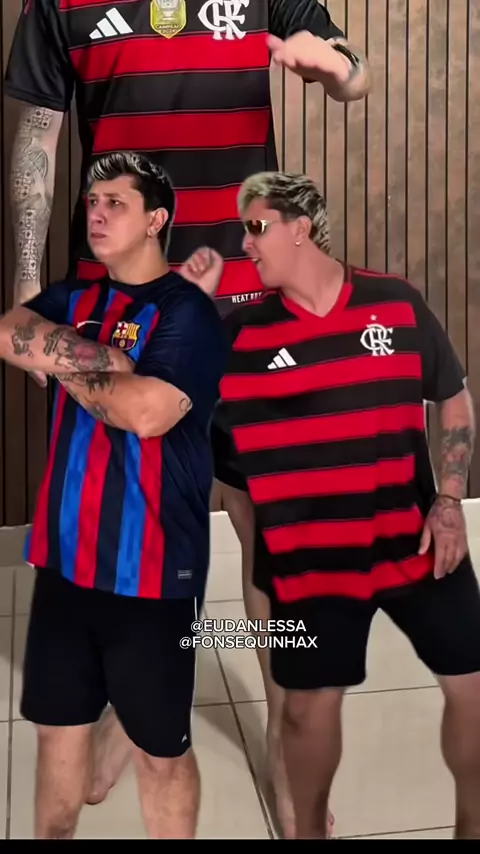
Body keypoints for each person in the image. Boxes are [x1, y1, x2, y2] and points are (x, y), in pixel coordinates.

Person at [4, 0, 370, 827]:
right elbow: (37, 143)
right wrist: (28, 291)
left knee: (273, 535)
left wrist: (339, 70)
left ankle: (284, 755)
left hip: (250, 309)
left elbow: (353, 71)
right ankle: (126, 714)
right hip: (120, 317)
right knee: (136, 531)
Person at [201, 170, 480, 840]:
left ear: (301, 229)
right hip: (313, 560)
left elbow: (453, 397)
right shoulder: (240, 335)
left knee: (472, 692)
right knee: (306, 712)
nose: (245, 244)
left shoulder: (396, 304)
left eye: (257, 228)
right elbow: (177, 414)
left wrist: (448, 500)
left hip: (414, 540)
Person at [0, 151, 228, 839]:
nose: (96, 214)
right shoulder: (73, 298)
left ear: (156, 220)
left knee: (160, 754)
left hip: (153, 574)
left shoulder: (189, 313)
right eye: (92, 203)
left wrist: (60, 357)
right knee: (56, 736)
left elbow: (147, 413)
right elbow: (9, 332)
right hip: (64, 562)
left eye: (115, 204)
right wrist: (109, 361)